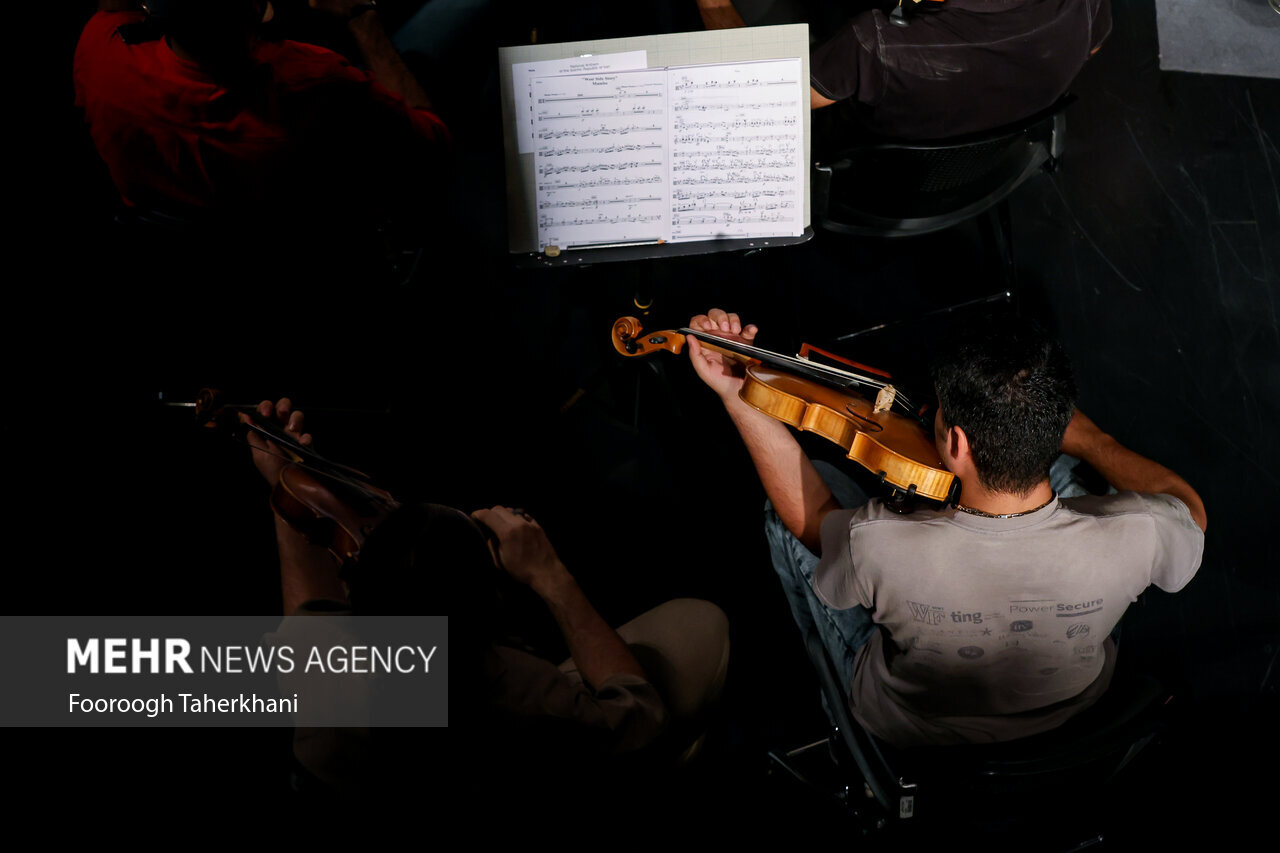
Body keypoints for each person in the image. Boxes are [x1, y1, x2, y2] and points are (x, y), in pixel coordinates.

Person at [686, 308, 1205, 747]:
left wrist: (738, 394)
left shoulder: (878, 541)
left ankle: (833, 705)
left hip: (910, 731)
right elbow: (1189, 510)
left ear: (956, 445)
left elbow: (813, 521)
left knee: (784, 524)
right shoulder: (1142, 532)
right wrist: (1094, 441)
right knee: (1079, 476)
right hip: (1071, 715)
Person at [243, 399, 730, 795]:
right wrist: (552, 577)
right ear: (488, 607)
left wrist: (290, 489)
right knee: (699, 627)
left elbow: (309, 618)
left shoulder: (319, 660)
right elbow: (640, 718)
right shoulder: (519, 691)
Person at [74, 1, 450, 223]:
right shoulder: (313, 80)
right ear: (258, 9)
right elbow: (432, 143)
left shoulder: (100, 55)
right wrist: (360, 17)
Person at [695, 0, 1113, 140]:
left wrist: (713, 6)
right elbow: (1092, 47)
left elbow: (768, 95)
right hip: (991, 156)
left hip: (877, 170)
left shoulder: (874, 41)